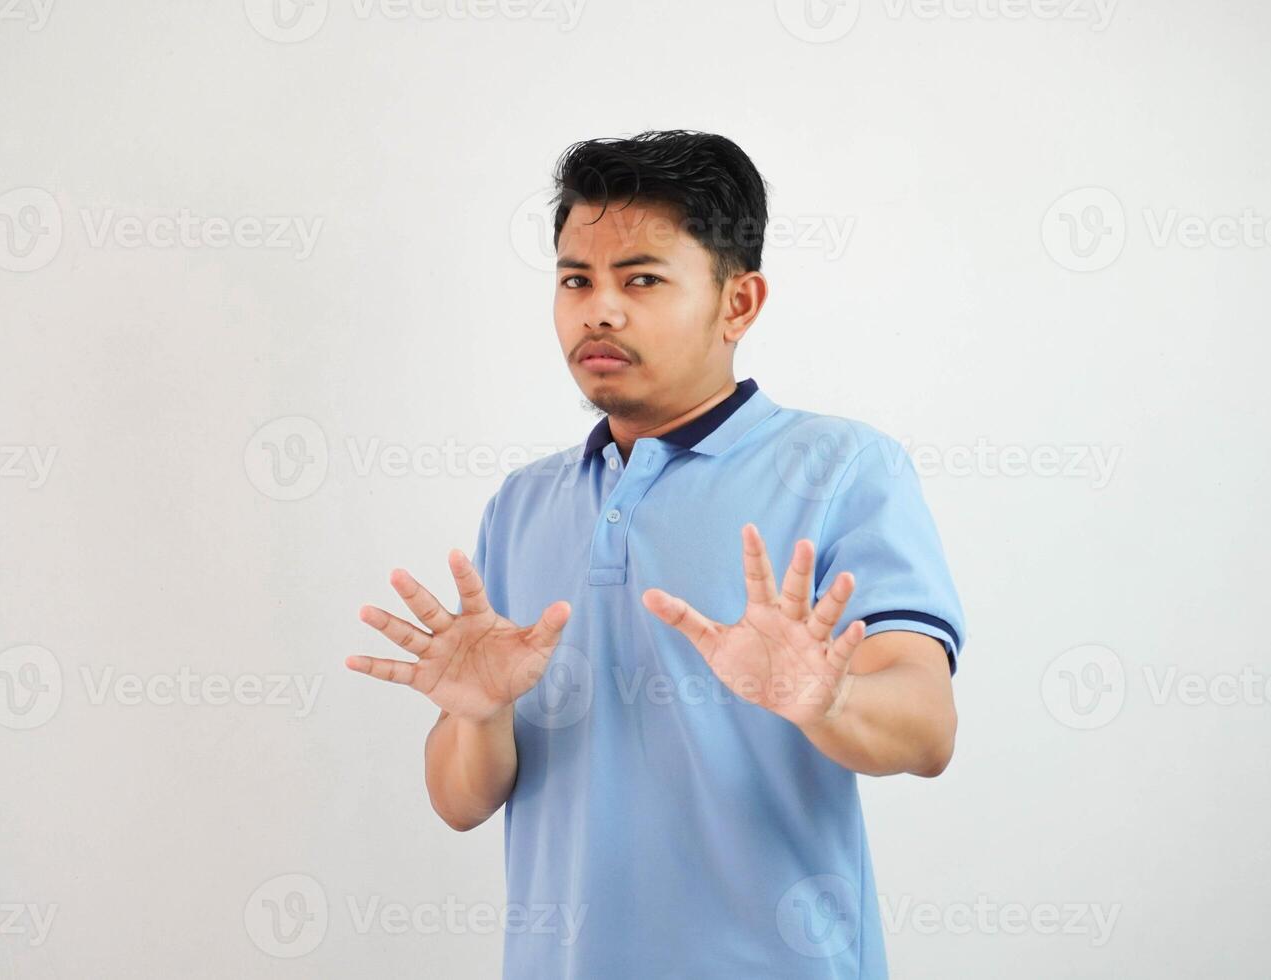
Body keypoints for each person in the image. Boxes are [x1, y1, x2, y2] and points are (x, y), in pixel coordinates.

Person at [347, 130, 966, 979]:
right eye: (576, 280)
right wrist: (479, 712)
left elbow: (928, 731)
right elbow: (460, 802)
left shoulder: (841, 470)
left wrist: (825, 698)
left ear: (738, 304)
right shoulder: (524, 503)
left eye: (641, 279)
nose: (599, 309)